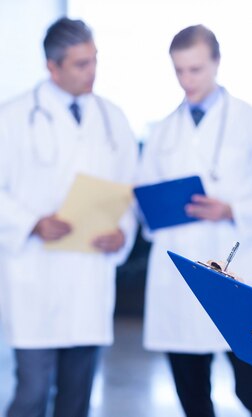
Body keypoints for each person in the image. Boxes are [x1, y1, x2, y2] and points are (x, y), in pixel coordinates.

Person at [138, 25, 252, 417]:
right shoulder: (163, 131)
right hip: (177, 278)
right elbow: (144, 204)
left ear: (216, 62)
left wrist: (231, 209)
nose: (187, 80)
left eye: (195, 69)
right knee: (193, 398)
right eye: (179, 71)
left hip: (234, 269)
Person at [0, 17, 137, 417]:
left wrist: (122, 232)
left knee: (76, 398)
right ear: (52, 66)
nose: (91, 71)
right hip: (35, 275)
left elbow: (130, 191)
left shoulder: (113, 118)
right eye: (80, 64)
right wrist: (31, 221)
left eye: (94, 60)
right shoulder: (12, 117)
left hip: (89, 277)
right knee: (32, 392)